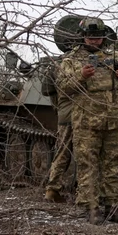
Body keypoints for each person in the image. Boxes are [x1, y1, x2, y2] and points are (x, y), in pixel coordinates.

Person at [55, 17, 118, 224]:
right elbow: (63, 88)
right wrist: (81, 76)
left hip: (111, 119)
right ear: (83, 37)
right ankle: (91, 208)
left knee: (113, 165)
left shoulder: (114, 55)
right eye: (91, 38)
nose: (95, 41)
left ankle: (113, 207)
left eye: (98, 37)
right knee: (87, 165)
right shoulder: (71, 59)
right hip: (86, 122)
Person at [44, 59, 73, 203]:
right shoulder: (80, 61)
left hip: (64, 112)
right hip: (79, 114)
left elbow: (46, 90)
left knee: (62, 151)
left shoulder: (56, 63)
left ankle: (52, 188)